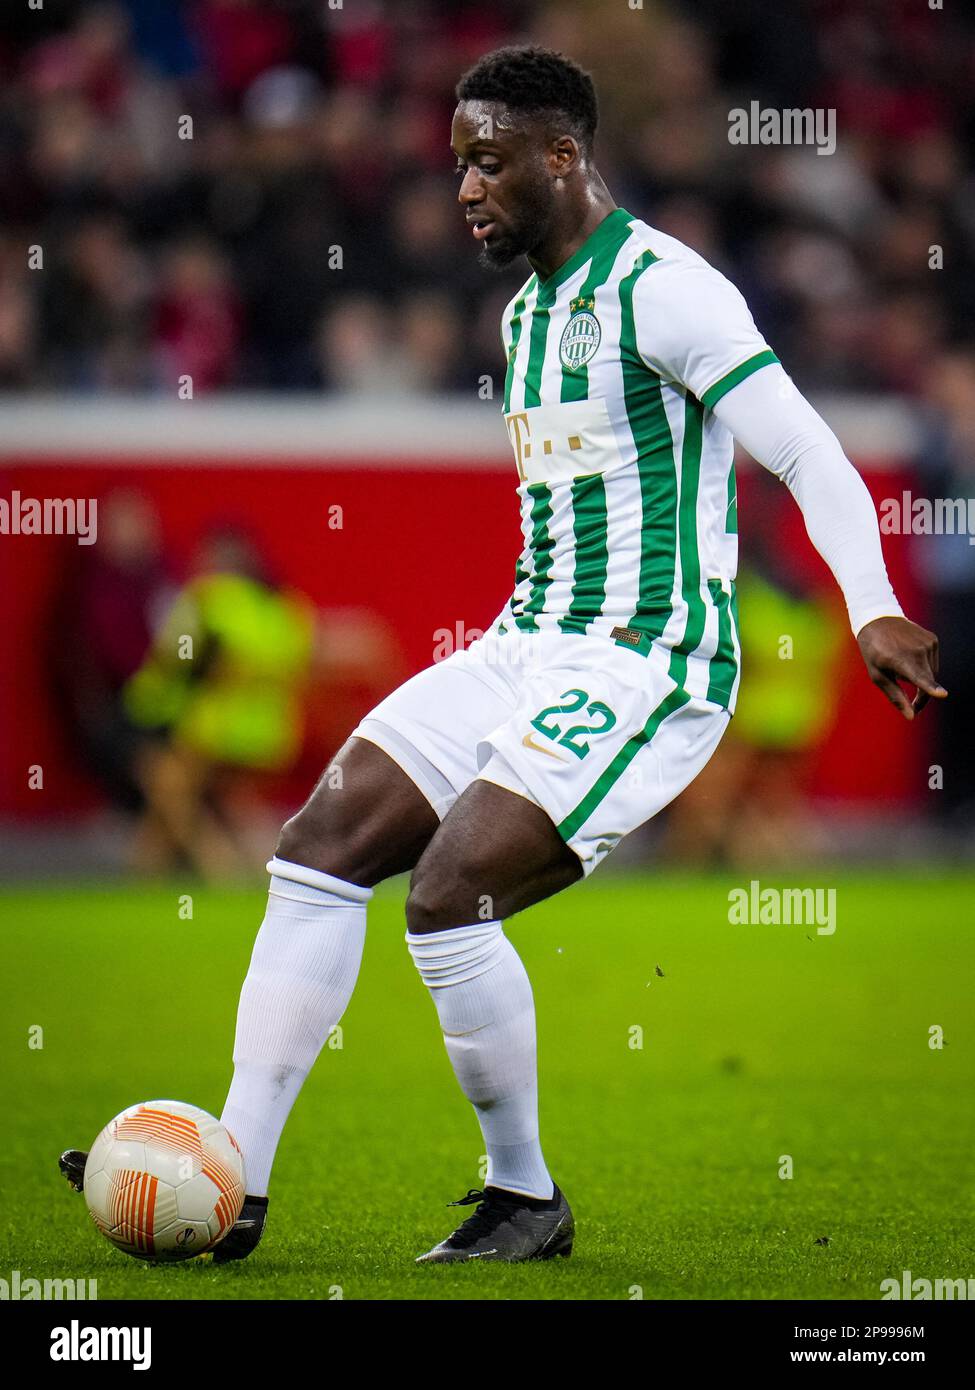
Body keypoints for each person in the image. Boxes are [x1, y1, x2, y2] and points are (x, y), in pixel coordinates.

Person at [60, 45, 945, 1265]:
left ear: (563, 154)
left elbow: (806, 453)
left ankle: (525, 1196)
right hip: (525, 646)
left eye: (487, 161)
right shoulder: (528, 310)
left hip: (650, 664)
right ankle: (237, 1179)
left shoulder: (666, 288)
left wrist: (872, 606)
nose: (464, 188)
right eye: (458, 162)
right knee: (316, 853)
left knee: (447, 897)